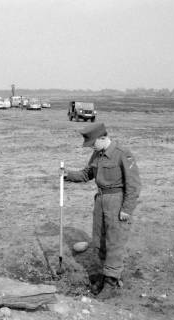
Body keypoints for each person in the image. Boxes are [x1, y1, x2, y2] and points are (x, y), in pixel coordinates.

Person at [63, 123, 141, 298]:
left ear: (102, 138)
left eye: (92, 143)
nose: (90, 146)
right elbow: (86, 175)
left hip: (117, 201)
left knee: (115, 242)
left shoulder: (122, 153)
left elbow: (134, 185)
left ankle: (111, 282)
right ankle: (104, 274)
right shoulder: (96, 154)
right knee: (99, 240)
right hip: (100, 200)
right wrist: (66, 174)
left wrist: (126, 209)